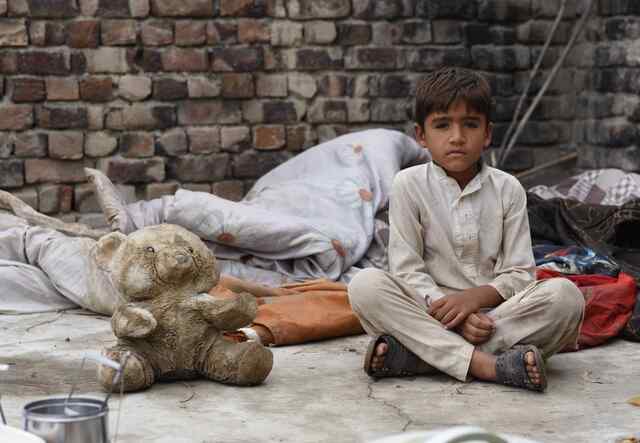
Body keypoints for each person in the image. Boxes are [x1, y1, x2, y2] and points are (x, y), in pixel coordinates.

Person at [347, 67, 585, 392]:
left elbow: (519, 273)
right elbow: (406, 270)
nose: (457, 137)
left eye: (470, 125)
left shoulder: (508, 189)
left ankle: (419, 357)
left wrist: (475, 299)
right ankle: (487, 365)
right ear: (421, 136)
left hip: (497, 318)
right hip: (429, 310)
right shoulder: (408, 184)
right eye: (442, 125)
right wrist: (454, 316)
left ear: (487, 133)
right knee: (364, 285)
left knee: (566, 297)